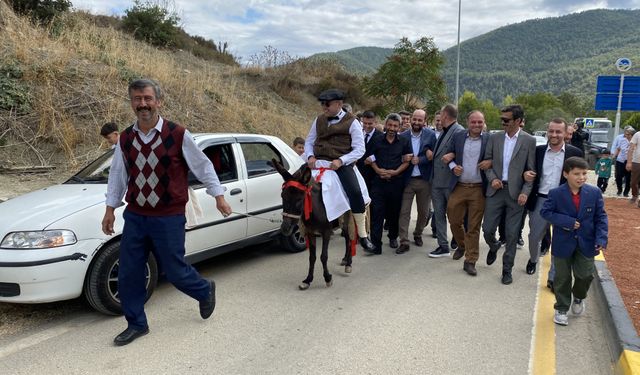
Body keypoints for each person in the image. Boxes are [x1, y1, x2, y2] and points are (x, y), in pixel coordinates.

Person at [101, 79, 232, 346]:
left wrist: (218, 196)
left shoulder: (178, 134)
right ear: (131, 103)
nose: (143, 104)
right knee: (128, 272)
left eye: (148, 98)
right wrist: (110, 210)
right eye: (137, 99)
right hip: (136, 216)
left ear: (158, 101)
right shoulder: (125, 138)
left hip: (169, 216)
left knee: (174, 270)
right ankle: (136, 323)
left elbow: (203, 166)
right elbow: (117, 176)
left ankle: (204, 289)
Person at [303, 89, 375, 251]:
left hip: (340, 164)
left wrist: (341, 160)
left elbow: (359, 150)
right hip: (318, 161)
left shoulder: (353, 122)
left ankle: (363, 235)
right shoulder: (318, 120)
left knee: (356, 192)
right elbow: (309, 142)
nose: (324, 108)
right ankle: (297, 223)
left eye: (327, 104)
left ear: (339, 104)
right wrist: (309, 157)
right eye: (322, 104)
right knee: (293, 183)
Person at [540, 156, 608, 326]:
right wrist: (567, 222)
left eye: (584, 173)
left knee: (584, 275)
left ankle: (579, 296)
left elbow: (601, 217)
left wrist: (601, 237)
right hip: (563, 242)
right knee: (561, 278)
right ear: (566, 174)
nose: (581, 177)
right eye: (577, 174)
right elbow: (546, 212)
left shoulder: (594, 192)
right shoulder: (556, 193)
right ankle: (561, 308)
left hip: (588, 242)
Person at [482, 104, 536, 285]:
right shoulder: (494, 137)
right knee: (488, 229)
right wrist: (492, 179)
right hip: (495, 190)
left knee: (512, 234)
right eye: (502, 119)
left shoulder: (529, 141)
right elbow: (487, 164)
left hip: (516, 194)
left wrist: (525, 192)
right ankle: (494, 245)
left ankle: (507, 270)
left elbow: (531, 171)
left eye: (507, 120)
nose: (503, 122)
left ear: (519, 121)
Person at [523, 118, 583, 277]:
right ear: (547, 132)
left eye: (558, 131)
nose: (554, 134)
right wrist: (526, 174)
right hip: (541, 200)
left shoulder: (575, 153)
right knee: (534, 236)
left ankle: (554, 275)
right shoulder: (537, 151)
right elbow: (527, 170)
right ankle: (533, 260)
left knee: (560, 240)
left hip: (564, 202)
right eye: (551, 131)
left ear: (565, 134)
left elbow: (580, 178)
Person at [444, 110, 490, 275]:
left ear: (484, 123)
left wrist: (490, 161)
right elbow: (448, 156)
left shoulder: (489, 139)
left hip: (478, 188)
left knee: (474, 226)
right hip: (459, 186)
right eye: (474, 122)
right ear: (468, 122)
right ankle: (462, 245)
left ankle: (470, 260)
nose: (477, 125)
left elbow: (496, 158)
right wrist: (452, 166)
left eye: (480, 122)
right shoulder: (458, 136)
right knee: (454, 219)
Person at [365, 113, 412, 254]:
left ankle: (393, 237)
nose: (392, 128)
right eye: (390, 125)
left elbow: (407, 161)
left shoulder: (404, 141)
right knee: (377, 213)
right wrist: (378, 170)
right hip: (378, 183)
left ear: (399, 127)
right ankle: (375, 245)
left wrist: (395, 172)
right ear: (386, 125)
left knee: (394, 213)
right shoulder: (376, 140)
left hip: (396, 183)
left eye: (395, 126)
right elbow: (369, 158)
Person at [397, 109, 436, 254]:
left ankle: (418, 233)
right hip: (407, 180)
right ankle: (404, 241)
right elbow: (397, 155)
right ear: (410, 119)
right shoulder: (402, 136)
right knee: (404, 212)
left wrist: (422, 159)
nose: (416, 122)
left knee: (424, 213)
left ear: (424, 121)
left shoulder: (431, 136)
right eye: (415, 119)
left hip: (424, 180)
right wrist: (403, 158)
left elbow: (434, 155)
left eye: (420, 120)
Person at [428, 104, 465, 258]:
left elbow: (462, 154)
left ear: (445, 115)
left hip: (449, 182)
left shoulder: (459, 131)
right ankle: (443, 246)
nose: (438, 119)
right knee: (439, 214)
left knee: (455, 217)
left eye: (440, 115)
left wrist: (451, 159)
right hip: (436, 181)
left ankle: (460, 243)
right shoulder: (443, 131)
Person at [613, 127, 634, 197]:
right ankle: (619, 189)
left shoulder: (635, 142)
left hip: (630, 161)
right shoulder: (622, 140)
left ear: (631, 135)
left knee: (628, 177)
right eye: (625, 134)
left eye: (628, 134)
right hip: (620, 160)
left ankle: (626, 192)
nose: (626, 135)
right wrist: (613, 157)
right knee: (618, 176)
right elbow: (618, 149)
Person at [626, 128, 640, 206]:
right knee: (634, 182)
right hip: (636, 162)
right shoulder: (637, 134)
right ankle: (635, 196)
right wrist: (629, 162)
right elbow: (631, 149)